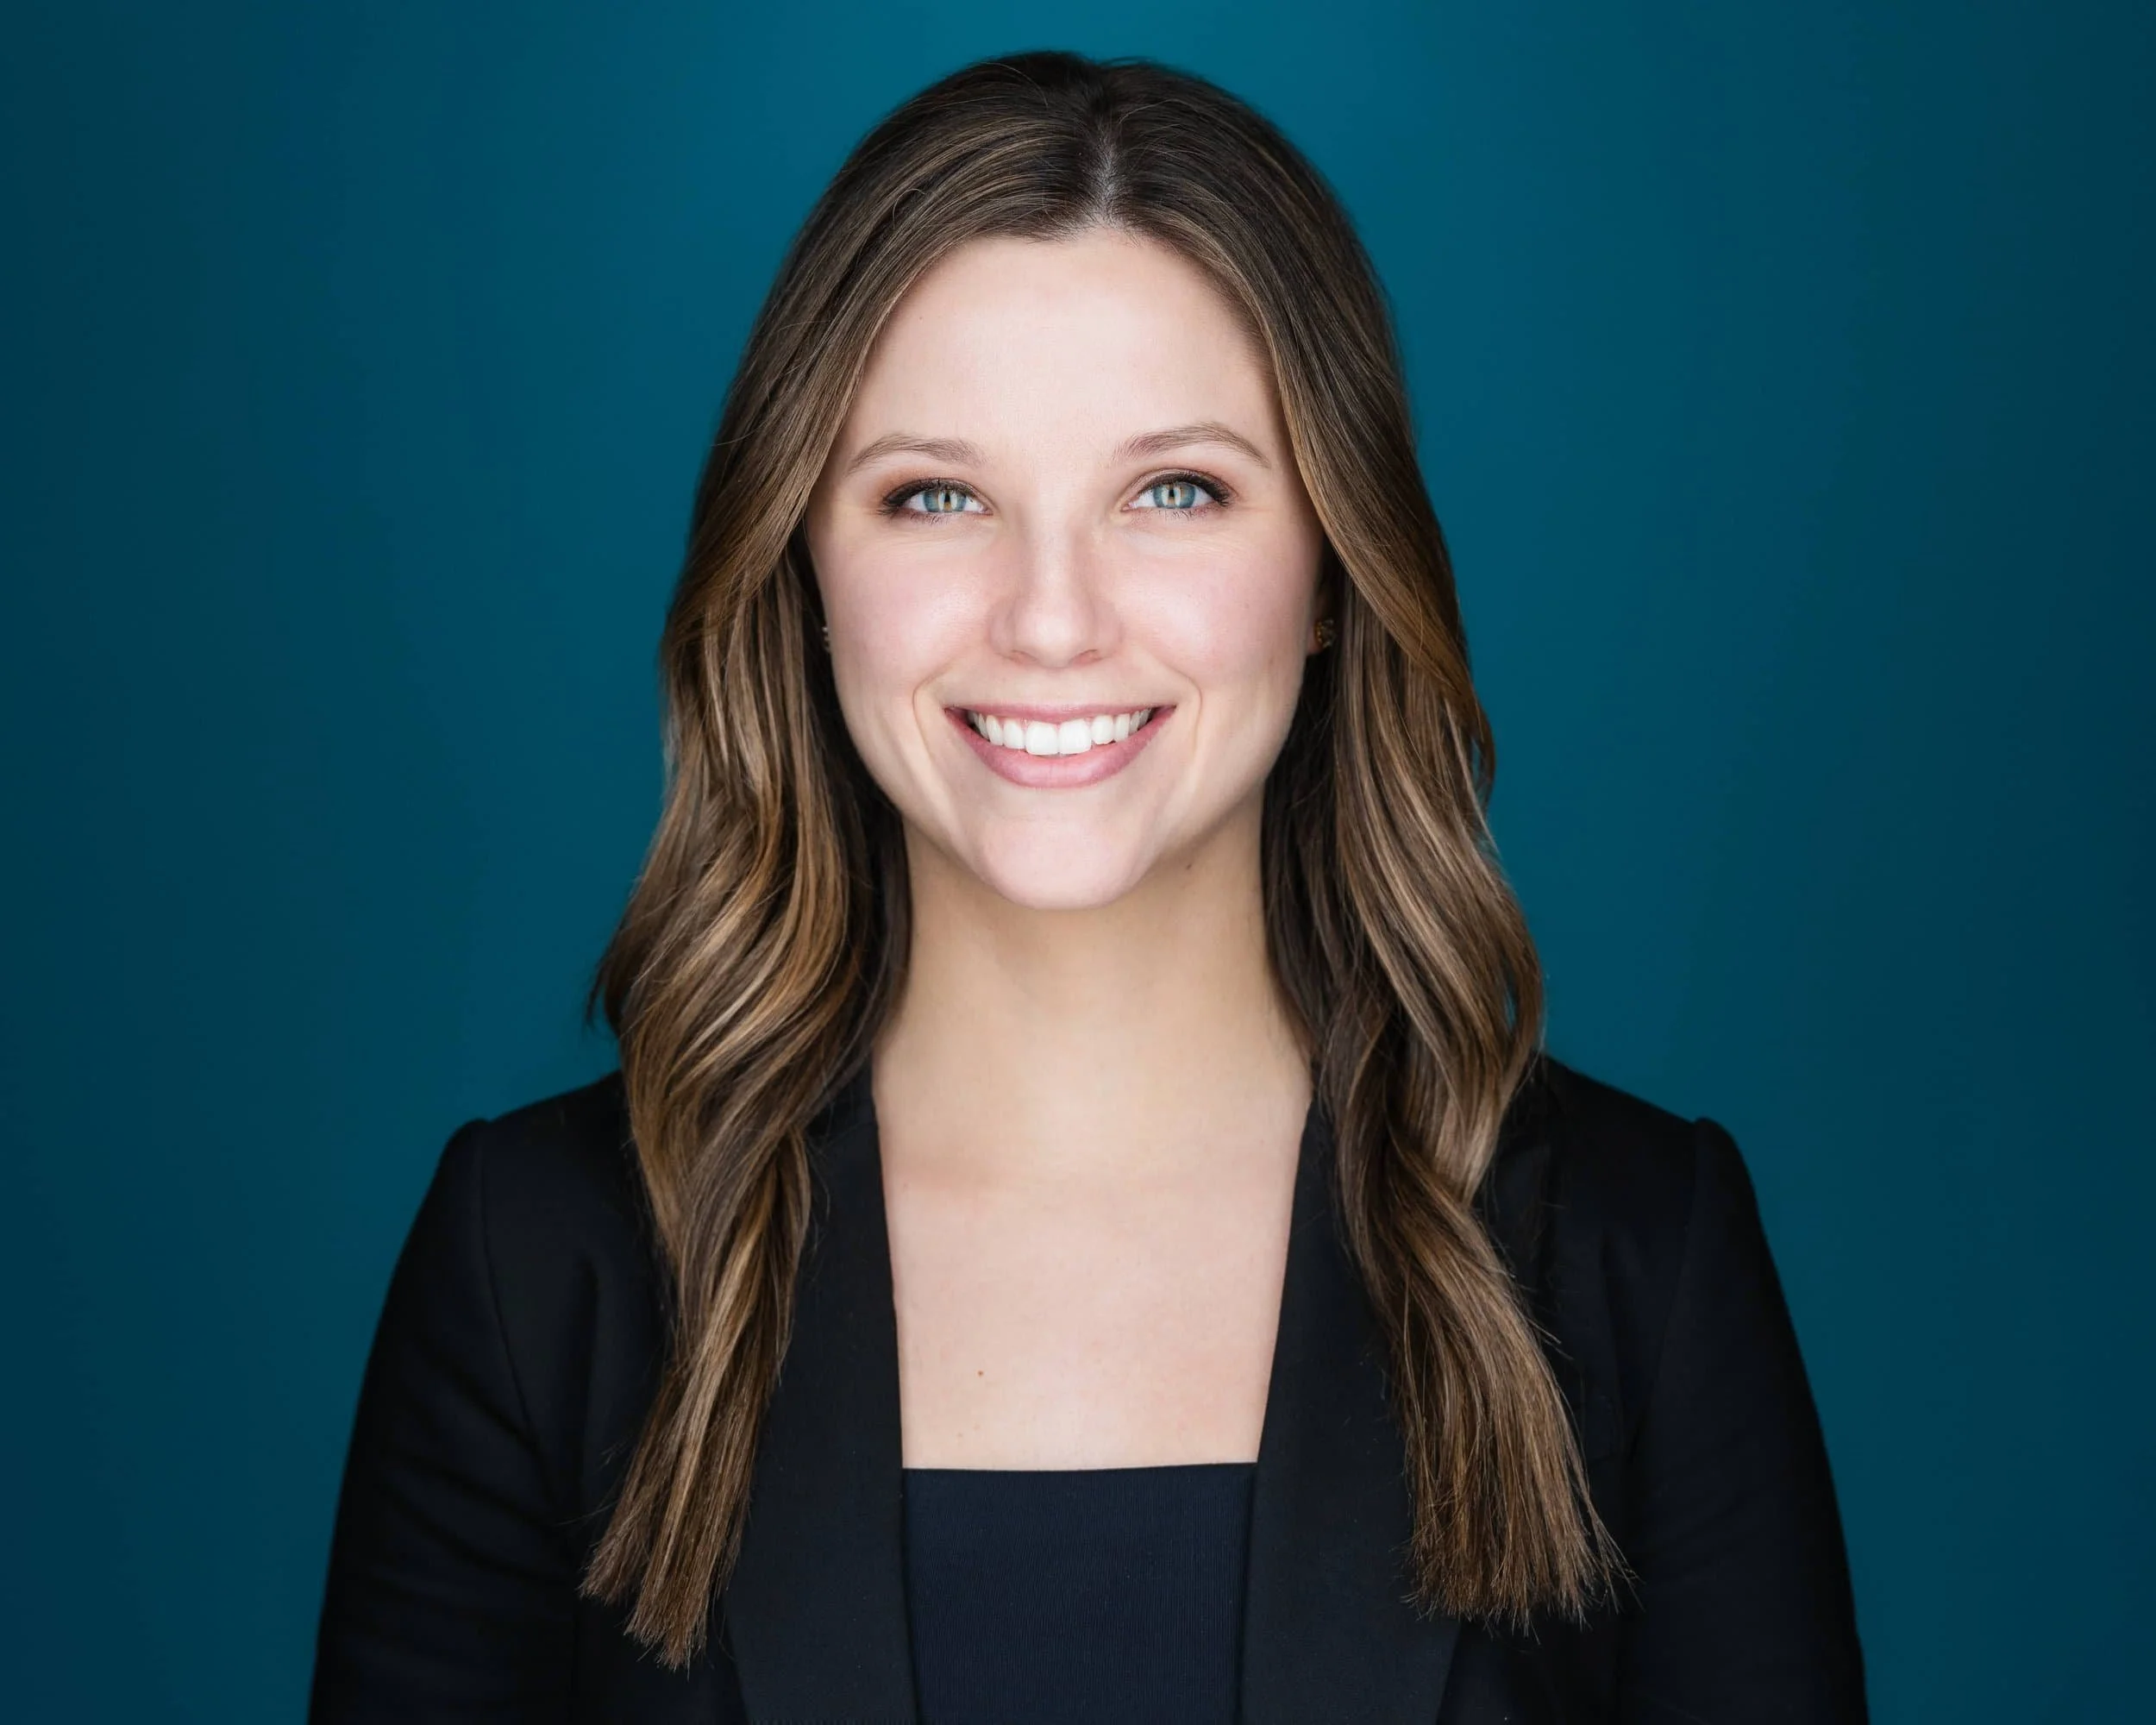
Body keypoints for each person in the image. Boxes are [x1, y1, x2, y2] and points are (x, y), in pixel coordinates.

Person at [310, 51, 1866, 1723]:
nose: (1050, 619)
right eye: (934, 495)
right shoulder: (540, 1267)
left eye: (1173, 491)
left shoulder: (1632, 1259)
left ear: (1334, 566)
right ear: (805, 569)